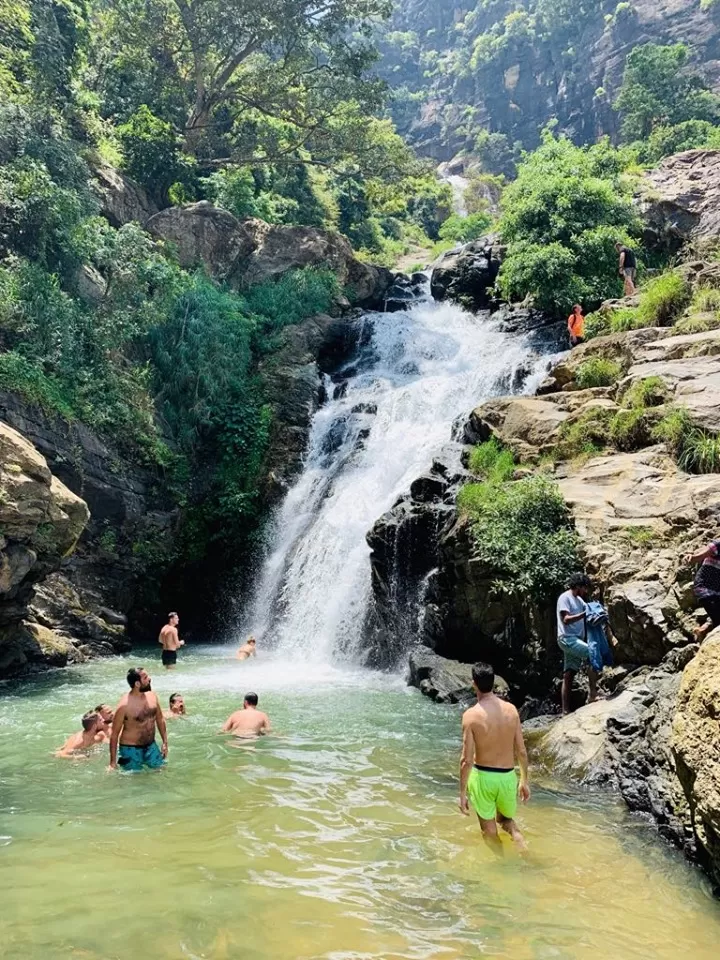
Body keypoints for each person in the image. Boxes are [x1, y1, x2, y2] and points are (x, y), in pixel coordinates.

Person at [459, 662, 530, 853]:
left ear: (474, 684)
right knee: (505, 819)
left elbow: (466, 760)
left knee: (489, 832)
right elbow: (522, 751)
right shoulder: (511, 711)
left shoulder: (471, 716)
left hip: (483, 778)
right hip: (508, 777)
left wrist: (462, 793)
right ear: (493, 682)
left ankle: (502, 868)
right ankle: (518, 839)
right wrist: (524, 781)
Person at [108, 667, 168, 772]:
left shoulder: (152, 696)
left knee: (161, 771)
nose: (149, 679)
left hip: (151, 746)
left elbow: (160, 719)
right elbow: (114, 735)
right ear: (137, 684)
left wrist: (165, 742)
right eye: (145, 678)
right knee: (135, 781)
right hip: (130, 749)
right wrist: (112, 763)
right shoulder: (124, 705)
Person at [557, 573, 599, 715]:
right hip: (567, 639)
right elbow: (566, 619)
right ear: (579, 586)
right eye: (585, 588)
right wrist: (584, 615)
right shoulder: (565, 597)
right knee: (592, 654)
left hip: (574, 640)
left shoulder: (579, 600)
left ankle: (565, 711)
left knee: (569, 674)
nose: (586, 591)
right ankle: (593, 694)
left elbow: (588, 611)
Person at [685, 538, 720, 639]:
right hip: (705, 588)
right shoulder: (718, 544)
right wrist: (692, 557)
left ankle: (702, 631)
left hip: (717, 589)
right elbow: (700, 555)